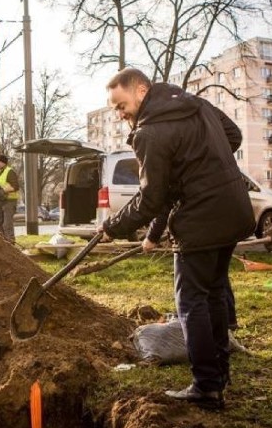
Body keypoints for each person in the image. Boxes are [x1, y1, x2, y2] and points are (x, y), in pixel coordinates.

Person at [99, 68, 255, 409]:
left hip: (201, 219)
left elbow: (151, 200)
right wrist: (203, 165)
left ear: (141, 91)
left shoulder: (150, 133)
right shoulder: (195, 104)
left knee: (190, 302)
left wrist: (112, 226)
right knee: (213, 293)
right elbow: (233, 135)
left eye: (121, 105)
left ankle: (206, 386)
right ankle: (218, 375)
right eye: (114, 109)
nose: (119, 113)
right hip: (234, 210)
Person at [0, 154, 20, 243]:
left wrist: (4, 190)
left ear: (4, 163)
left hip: (9, 201)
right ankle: (2, 242)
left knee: (7, 224)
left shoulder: (10, 172)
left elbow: (16, 186)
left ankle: (10, 243)